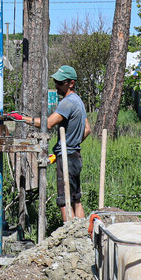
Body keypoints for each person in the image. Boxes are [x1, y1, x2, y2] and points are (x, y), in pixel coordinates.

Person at [20, 65, 91, 221]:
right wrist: (72, 144)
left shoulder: (67, 102)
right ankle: (83, 232)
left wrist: (22, 119)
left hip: (66, 158)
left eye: (60, 83)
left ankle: (69, 234)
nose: (56, 86)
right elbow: (87, 129)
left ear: (71, 83)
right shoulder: (79, 101)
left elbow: (48, 123)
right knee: (76, 199)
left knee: (64, 201)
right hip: (75, 156)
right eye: (55, 82)